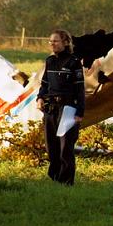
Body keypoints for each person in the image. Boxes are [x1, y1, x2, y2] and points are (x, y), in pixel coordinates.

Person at [36, 29, 85, 185]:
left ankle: (66, 181)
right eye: (50, 41)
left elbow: (80, 90)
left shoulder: (74, 62)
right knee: (51, 146)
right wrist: (40, 98)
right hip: (51, 109)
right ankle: (55, 177)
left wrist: (80, 112)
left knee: (65, 147)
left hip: (68, 109)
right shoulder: (49, 61)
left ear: (65, 43)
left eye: (56, 41)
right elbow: (44, 84)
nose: (52, 44)